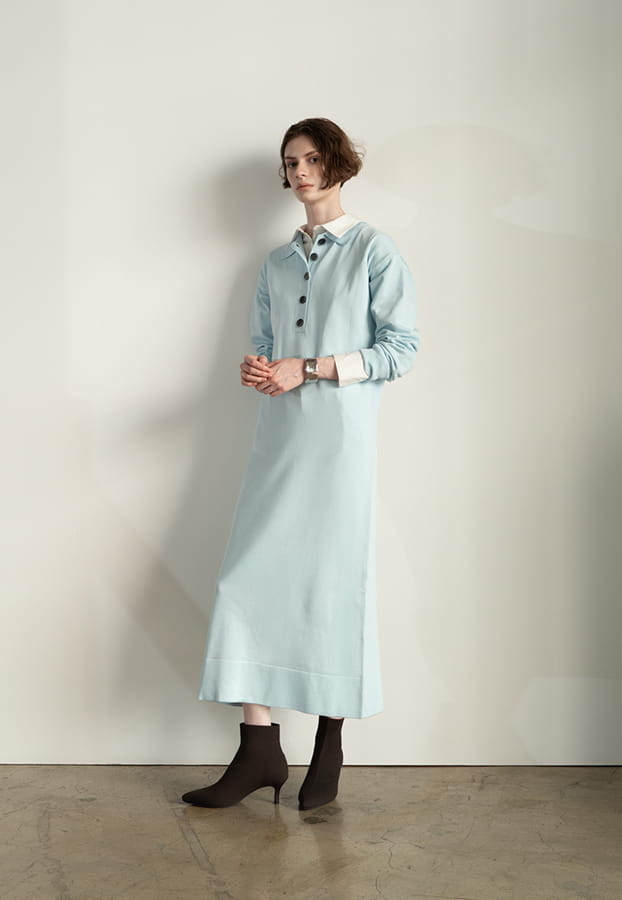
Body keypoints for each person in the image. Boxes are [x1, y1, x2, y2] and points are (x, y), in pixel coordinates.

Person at [182, 117, 420, 811]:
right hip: (280, 439)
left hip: (339, 444)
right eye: (291, 162)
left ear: (339, 164)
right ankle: (259, 747)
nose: (301, 171)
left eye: (313, 158)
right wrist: (261, 368)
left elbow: (401, 349)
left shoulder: (374, 250)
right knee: (245, 581)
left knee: (332, 587)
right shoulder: (276, 263)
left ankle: (329, 742)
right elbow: (265, 344)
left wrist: (310, 367)